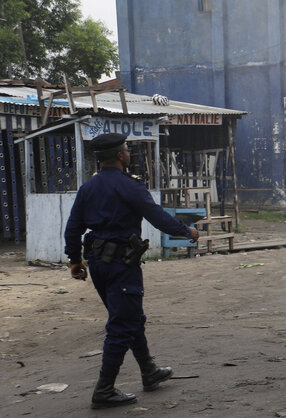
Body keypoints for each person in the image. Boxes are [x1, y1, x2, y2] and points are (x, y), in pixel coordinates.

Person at [64, 133, 199, 409]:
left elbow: (73, 227)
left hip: (98, 263)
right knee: (122, 324)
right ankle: (104, 390)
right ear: (120, 156)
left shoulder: (87, 188)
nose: (128, 153)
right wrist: (188, 231)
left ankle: (149, 371)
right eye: (126, 150)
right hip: (121, 265)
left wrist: (75, 260)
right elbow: (157, 217)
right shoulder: (129, 187)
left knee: (131, 316)